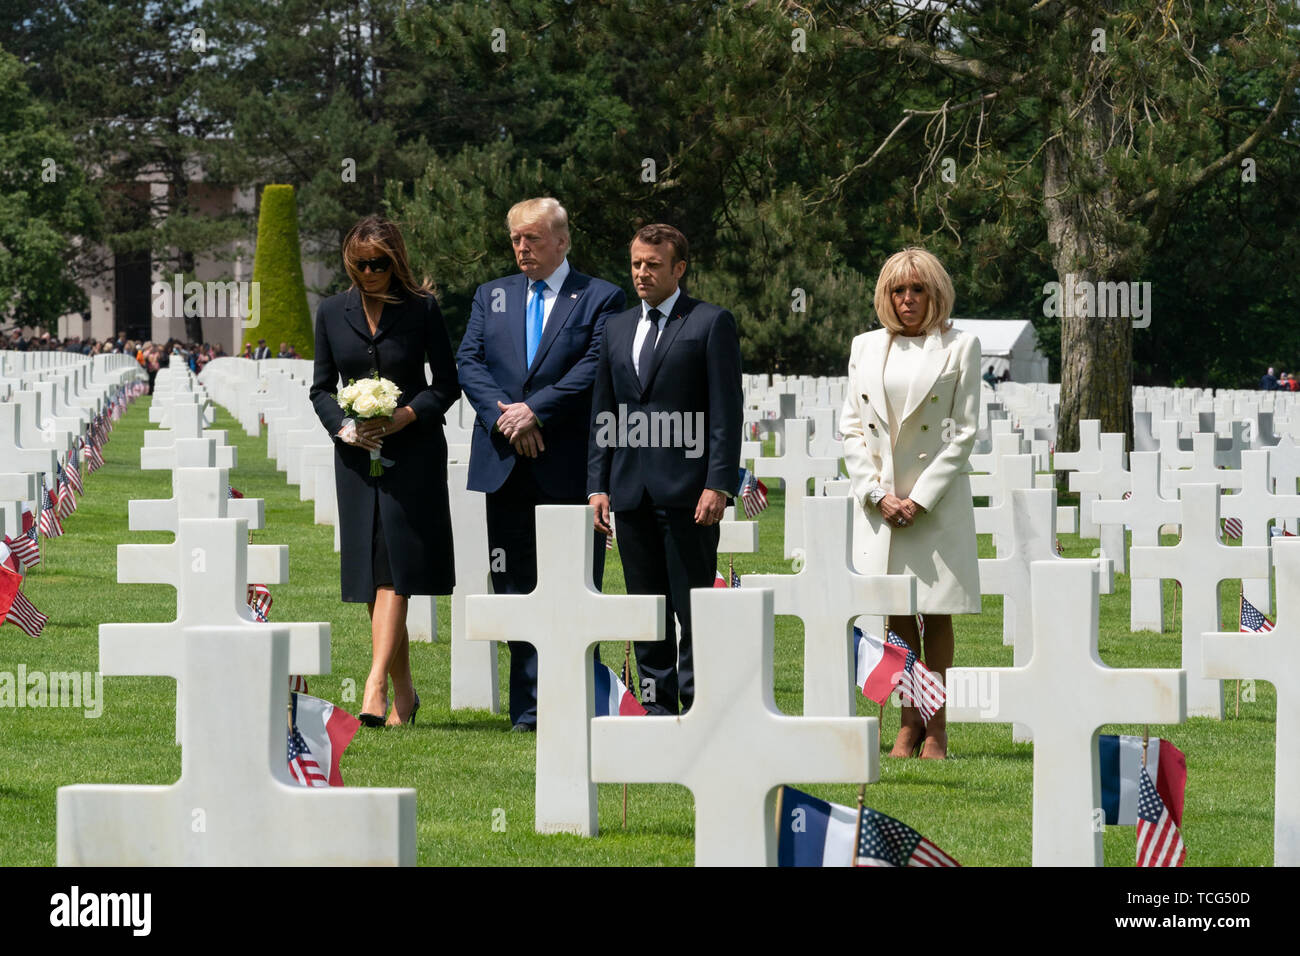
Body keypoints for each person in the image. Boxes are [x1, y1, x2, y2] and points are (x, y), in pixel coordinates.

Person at [457, 197, 625, 732]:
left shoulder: (601, 297)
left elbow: (598, 364)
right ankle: (527, 710)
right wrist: (508, 418)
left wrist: (537, 411)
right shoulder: (493, 295)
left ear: (561, 240)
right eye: (514, 239)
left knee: (575, 585)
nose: (521, 247)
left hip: (569, 466)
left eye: (531, 237)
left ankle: (576, 702)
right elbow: (469, 361)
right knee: (513, 589)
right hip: (505, 464)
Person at [309, 215, 459, 727]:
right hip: (355, 458)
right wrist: (344, 427)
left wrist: (407, 414)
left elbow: (447, 383)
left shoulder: (422, 310)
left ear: (395, 262)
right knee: (374, 574)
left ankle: (372, 686)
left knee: (398, 568)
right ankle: (405, 694)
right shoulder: (332, 311)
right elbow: (321, 387)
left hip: (413, 455)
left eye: (378, 264)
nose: (369, 273)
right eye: (360, 264)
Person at [587, 224, 743, 716]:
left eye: (653, 264)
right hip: (631, 493)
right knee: (646, 609)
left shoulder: (710, 323)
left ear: (679, 269)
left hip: (690, 493)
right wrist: (598, 485)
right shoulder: (615, 327)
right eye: (636, 263)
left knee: (693, 607)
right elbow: (603, 411)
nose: (641, 272)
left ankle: (700, 706)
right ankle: (656, 707)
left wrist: (718, 482)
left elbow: (726, 411)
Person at [839, 247, 981, 760]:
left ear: (935, 293)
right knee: (896, 617)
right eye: (897, 290)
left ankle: (937, 726)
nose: (907, 299)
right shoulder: (864, 347)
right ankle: (906, 724)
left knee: (937, 615)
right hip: (883, 506)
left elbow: (963, 432)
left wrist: (918, 499)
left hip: (934, 504)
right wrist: (878, 495)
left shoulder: (961, 346)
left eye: (917, 289)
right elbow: (852, 428)